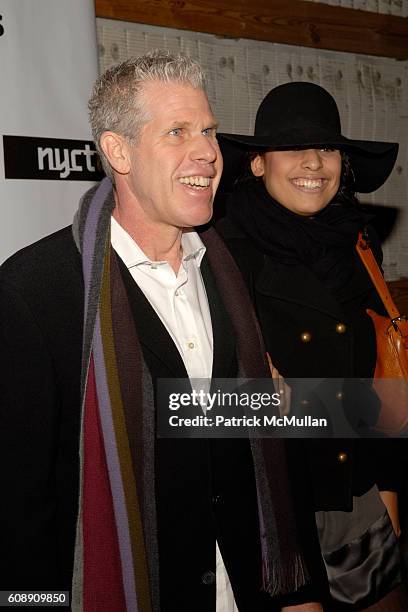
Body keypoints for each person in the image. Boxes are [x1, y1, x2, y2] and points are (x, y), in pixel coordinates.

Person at [0, 53, 325, 611]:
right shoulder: (34, 293)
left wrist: (301, 590)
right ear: (118, 150)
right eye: (177, 132)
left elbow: (263, 449)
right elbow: (16, 510)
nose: (207, 153)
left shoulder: (233, 271)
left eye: (208, 131)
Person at [216, 82, 407, 611]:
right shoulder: (223, 254)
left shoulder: (356, 244)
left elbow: (380, 379)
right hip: (274, 506)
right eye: (293, 148)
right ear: (257, 164)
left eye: (326, 149)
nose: (313, 163)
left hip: (355, 494)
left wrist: (386, 491)